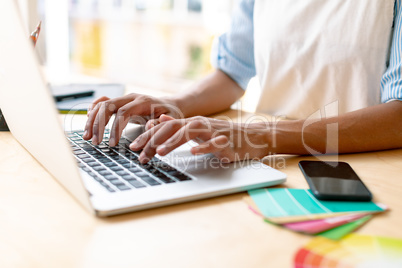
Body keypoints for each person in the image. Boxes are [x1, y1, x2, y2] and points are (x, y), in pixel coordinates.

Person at [83, 0, 402, 164]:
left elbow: (399, 116)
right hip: (278, 163)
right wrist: (176, 104)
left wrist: (262, 136)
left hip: (359, 168)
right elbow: (232, 72)